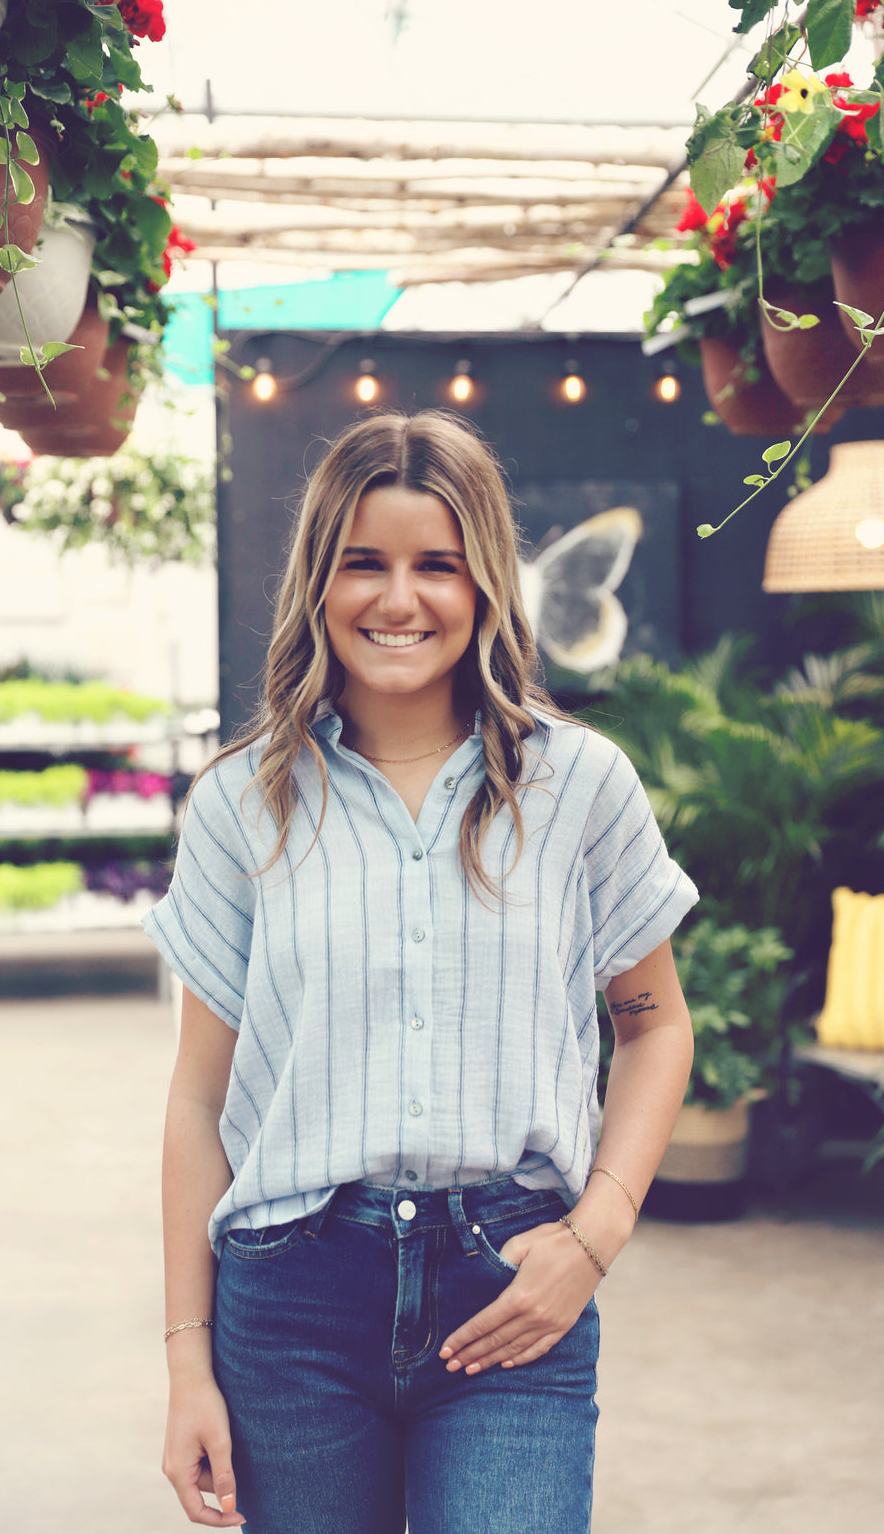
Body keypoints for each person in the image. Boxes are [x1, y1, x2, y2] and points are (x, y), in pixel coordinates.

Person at [145, 410, 698, 1534]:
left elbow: (654, 1027)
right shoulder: (240, 805)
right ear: (318, 579)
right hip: (290, 1307)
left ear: (485, 580)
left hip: (514, 1291)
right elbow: (201, 1099)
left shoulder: (579, 786)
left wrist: (595, 1235)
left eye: (435, 566)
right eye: (365, 563)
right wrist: (187, 1368)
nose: (398, 601)